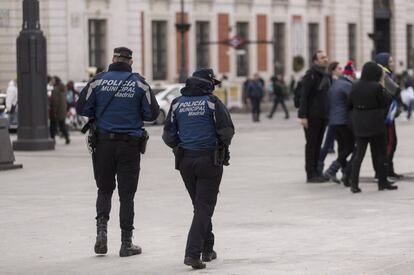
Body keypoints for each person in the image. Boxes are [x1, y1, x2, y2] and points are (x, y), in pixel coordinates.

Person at [76, 47, 160, 257]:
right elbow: (152, 113)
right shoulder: (139, 82)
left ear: (113, 59)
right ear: (130, 62)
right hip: (129, 145)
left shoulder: (98, 81)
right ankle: (126, 243)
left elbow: (81, 107)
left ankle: (101, 233)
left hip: (103, 144)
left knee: (104, 190)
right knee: (127, 196)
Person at [162, 68, 234, 270]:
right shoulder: (212, 102)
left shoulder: (177, 103)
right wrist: (220, 145)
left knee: (199, 206)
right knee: (204, 207)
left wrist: (180, 145)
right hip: (209, 160)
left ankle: (207, 248)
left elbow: (168, 135)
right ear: (208, 84)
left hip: (186, 160)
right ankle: (193, 254)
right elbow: (227, 130)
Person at [348, 62, 398, 193]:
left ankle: (354, 184)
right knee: (382, 154)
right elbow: (385, 101)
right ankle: (383, 182)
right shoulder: (376, 86)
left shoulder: (355, 85)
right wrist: (382, 85)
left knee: (359, 155)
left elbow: (349, 103)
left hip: (359, 123)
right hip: (375, 123)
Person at [298, 50, 331, 183]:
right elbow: (304, 96)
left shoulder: (325, 74)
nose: (325, 59)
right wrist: (303, 116)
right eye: (322, 58)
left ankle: (317, 172)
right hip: (312, 116)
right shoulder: (310, 74)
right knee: (311, 144)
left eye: (325, 57)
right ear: (315, 61)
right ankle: (310, 174)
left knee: (318, 144)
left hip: (323, 115)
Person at [323, 61, 356, 186]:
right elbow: (352, 102)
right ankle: (333, 169)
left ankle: (345, 174)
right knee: (350, 147)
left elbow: (327, 104)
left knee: (342, 147)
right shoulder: (347, 85)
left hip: (333, 122)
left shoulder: (334, 85)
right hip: (343, 121)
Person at [375, 53, 403, 180]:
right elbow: (396, 90)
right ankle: (384, 172)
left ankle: (389, 170)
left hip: (388, 116)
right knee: (389, 144)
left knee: (392, 143)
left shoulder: (387, 74)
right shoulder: (383, 75)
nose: (392, 63)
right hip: (386, 117)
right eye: (390, 61)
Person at [318, 61, 344, 175]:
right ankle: (319, 166)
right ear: (333, 70)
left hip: (336, 117)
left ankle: (342, 169)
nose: (341, 70)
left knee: (341, 145)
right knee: (329, 144)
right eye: (339, 68)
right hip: (333, 117)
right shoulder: (328, 81)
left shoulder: (338, 81)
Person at [49, 76, 70, 144]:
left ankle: (52, 140)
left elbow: (55, 101)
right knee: (62, 125)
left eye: (53, 80)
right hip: (62, 110)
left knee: (53, 126)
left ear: (55, 81)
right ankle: (67, 138)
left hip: (56, 111)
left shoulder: (55, 89)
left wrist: (54, 111)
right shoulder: (63, 88)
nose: (51, 81)